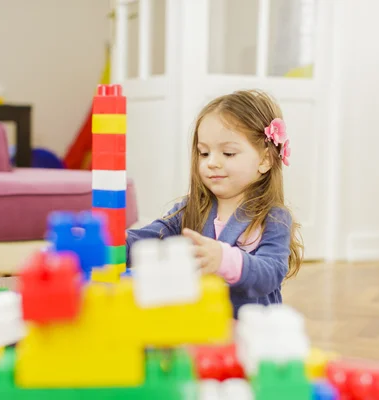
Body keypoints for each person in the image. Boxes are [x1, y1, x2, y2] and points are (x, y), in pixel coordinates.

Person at [125, 89, 303, 318]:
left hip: (246, 331)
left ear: (265, 159)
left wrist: (224, 259)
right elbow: (153, 235)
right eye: (204, 153)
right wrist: (120, 242)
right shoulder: (190, 209)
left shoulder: (274, 218)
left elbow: (270, 273)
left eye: (228, 154)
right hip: (200, 328)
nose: (212, 163)